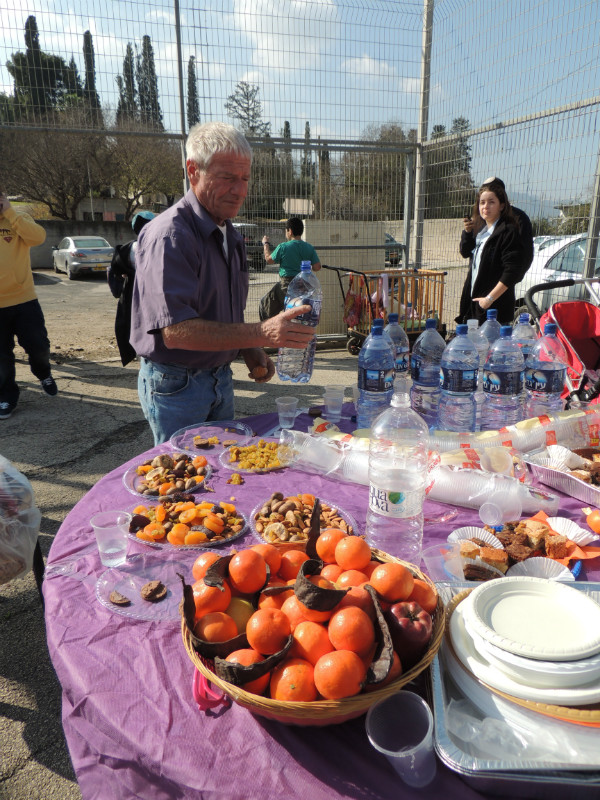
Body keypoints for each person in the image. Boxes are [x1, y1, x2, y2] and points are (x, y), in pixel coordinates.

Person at [130, 122, 316, 445]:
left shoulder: (230, 234)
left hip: (221, 379)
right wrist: (261, 332)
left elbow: (225, 310)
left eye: (244, 178)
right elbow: (175, 331)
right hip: (177, 386)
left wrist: (249, 348)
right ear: (193, 171)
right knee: (185, 482)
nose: (240, 190)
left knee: (225, 478)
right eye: (228, 178)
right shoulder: (170, 237)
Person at [0, 192, 57, 420]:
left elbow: (38, 237)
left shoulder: (18, 218)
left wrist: (10, 213)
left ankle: (44, 374)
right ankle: (6, 396)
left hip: (24, 300)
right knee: (1, 357)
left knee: (39, 346)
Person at [456, 179, 529, 325]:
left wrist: (489, 299)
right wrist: (468, 233)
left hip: (493, 309)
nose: (485, 207)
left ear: (502, 205)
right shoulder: (482, 231)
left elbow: (512, 271)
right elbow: (465, 252)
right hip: (476, 304)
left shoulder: (508, 231)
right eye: (482, 202)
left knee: (490, 347)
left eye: (491, 202)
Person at [108, 211, 155, 367]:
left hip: (131, 295)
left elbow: (114, 269)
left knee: (135, 326)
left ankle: (141, 357)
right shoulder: (160, 246)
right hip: (153, 294)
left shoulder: (128, 248)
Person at [262, 217, 321, 293]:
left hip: (287, 284)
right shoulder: (309, 247)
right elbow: (317, 267)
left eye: (286, 230)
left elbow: (269, 260)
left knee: (266, 302)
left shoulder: (283, 247)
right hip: (304, 284)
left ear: (290, 231)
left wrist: (265, 244)